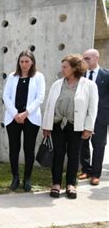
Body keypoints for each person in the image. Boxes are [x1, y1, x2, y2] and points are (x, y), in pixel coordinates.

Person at [42, 54, 98, 199]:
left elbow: (92, 109)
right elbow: (49, 106)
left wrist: (88, 128)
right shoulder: (57, 84)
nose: (62, 69)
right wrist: (46, 125)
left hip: (76, 126)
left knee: (74, 155)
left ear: (75, 68)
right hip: (58, 125)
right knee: (58, 155)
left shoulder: (89, 85)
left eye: (65, 66)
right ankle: (56, 184)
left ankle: (71, 184)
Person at [2, 50, 45, 192]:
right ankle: (15, 177)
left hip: (31, 118)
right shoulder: (11, 77)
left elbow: (40, 98)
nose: (24, 64)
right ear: (18, 62)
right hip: (13, 118)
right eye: (22, 61)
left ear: (32, 62)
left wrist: (26, 113)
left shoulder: (38, 77)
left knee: (29, 149)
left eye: (27, 61)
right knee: (14, 148)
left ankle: (27, 178)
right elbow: (6, 96)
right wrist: (16, 114)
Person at [79, 49, 109, 186]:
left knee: (99, 145)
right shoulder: (80, 76)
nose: (84, 61)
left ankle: (96, 174)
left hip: (100, 117)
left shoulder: (106, 75)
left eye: (87, 58)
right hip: (83, 116)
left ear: (96, 58)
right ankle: (86, 170)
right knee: (82, 143)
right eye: (83, 58)